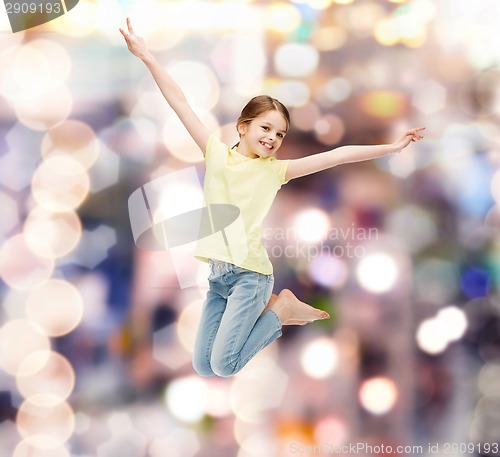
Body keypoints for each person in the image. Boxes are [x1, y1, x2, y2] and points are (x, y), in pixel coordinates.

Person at [120, 18, 425, 378]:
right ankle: (278, 315)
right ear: (243, 127)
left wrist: (391, 147)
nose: (272, 139)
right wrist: (147, 57)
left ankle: (282, 312)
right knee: (204, 366)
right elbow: (180, 102)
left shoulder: (275, 171)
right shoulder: (215, 152)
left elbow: (337, 155)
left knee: (224, 364)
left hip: (251, 276)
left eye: (279, 134)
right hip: (218, 276)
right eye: (265, 128)